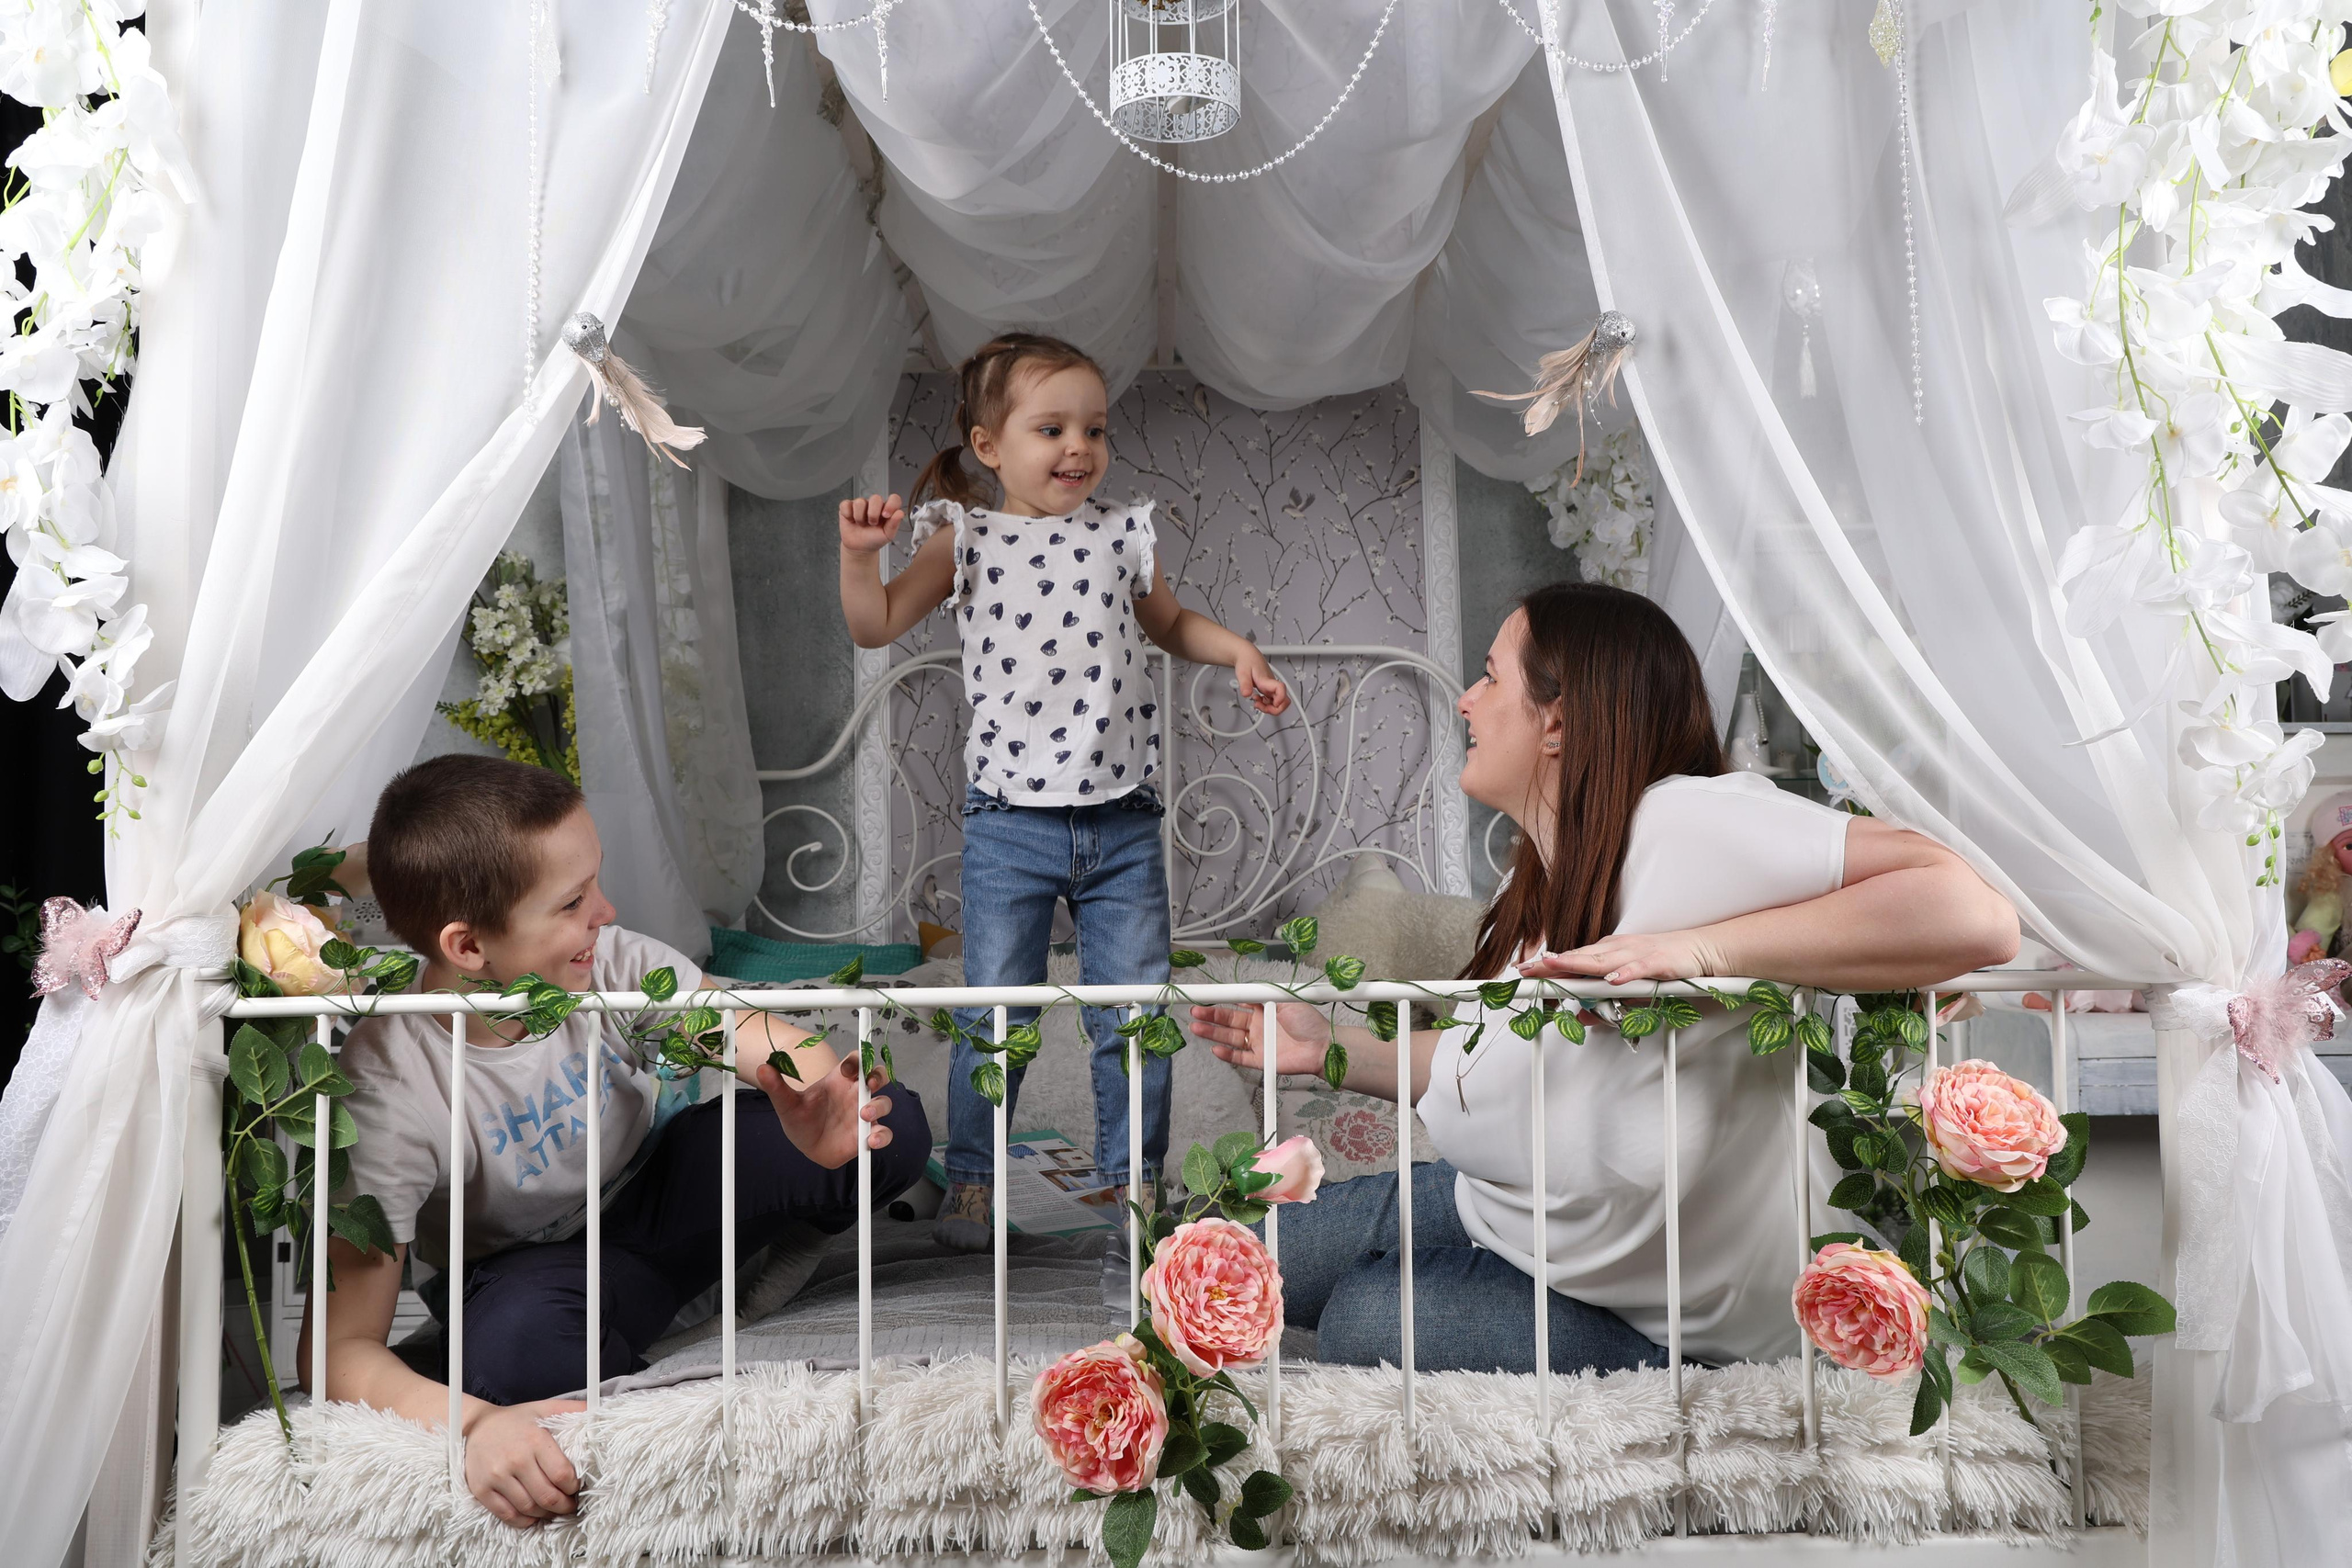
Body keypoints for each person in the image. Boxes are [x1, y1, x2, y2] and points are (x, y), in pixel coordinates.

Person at [1187, 582, 2018, 1373]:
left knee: (1365, 1320)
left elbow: (1977, 914)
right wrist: (1324, 1046)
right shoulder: (1536, 882)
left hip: (1671, 1306)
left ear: (1558, 719)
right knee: (1228, 1256)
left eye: (1488, 675)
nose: (1466, 700)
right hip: (1524, 1213)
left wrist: (1703, 953)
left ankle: (1683, 1375)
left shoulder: (1685, 823)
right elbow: (1490, 1060)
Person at [302, 755, 928, 1527]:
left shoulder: (607, 961)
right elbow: (336, 1351)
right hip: (535, 1269)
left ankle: (694, 1294)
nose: (605, 910)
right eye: (572, 901)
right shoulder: (390, 1082)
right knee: (514, 1361)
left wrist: (813, 1088)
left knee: (891, 1126)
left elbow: (745, 1029)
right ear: (467, 947)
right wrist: (473, 1426)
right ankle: (663, 1328)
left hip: (663, 1188)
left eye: (594, 883)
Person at [837, 333, 1291, 1258]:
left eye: (1093, 428)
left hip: (1121, 822)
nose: (1078, 446)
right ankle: (972, 1184)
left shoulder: (1123, 534)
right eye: (1051, 428)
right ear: (990, 445)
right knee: (996, 1020)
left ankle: (1134, 1190)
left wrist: (1236, 648)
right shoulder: (965, 537)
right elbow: (876, 620)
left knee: (1131, 1021)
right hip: (1010, 826)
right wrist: (857, 557)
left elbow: (1168, 624)